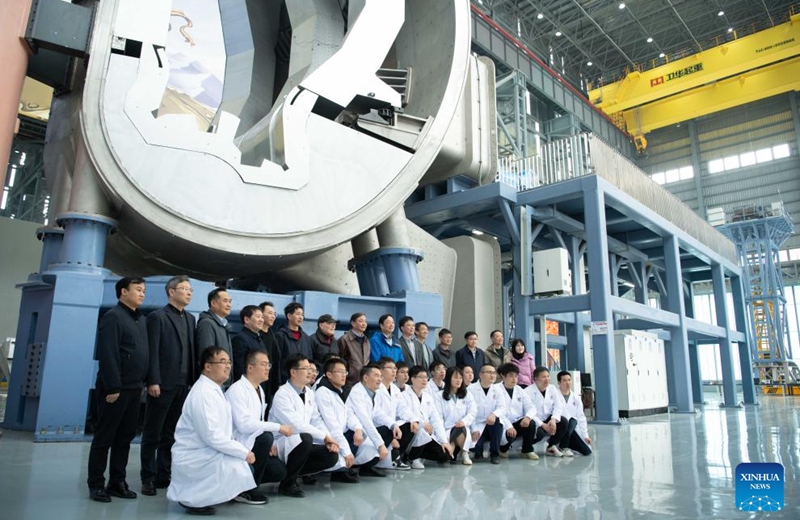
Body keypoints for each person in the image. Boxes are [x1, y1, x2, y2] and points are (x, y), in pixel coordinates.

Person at [167, 347, 258, 515]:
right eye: (222, 362)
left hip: (207, 450)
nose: (228, 366)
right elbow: (212, 436)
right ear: (207, 366)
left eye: (229, 362)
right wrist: (243, 451)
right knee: (239, 467)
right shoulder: (202, 394)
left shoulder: (214, 389)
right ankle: (193, 500)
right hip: (196, 455)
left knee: (243, 468)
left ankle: (203, 497)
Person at [87, 277, 149, 503]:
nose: (142, 294)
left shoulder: (140, 319)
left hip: (134, 388)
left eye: (143, 290)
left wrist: (142, 382)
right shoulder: (113, 317)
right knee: (104, 438)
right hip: (116, 388)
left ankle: (117, 482)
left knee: (124, 438)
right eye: (138, 289)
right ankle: (96, 484)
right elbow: (108, 353)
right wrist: (113, 386)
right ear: (123, 291)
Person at [141, 275, 197, 496]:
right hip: (162, 384)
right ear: (171, 292)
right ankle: (148, 477)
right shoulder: (157, 317)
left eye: (190, 289)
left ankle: (163, 475)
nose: (189, 292)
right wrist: (153, 380)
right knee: (152, 433)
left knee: (172, 433)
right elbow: (152, 351)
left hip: (183, 384)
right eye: (184, 288)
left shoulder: (190, 319)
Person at [226, 350, 294, 505]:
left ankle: (242, 481)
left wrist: (272, 443)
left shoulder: (259, 390)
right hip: (240, 443)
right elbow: (244, 425)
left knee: (279, 472)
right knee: (265, 437)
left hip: (253, 442)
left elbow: (259, 422)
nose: (267, 368)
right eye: (263, 364)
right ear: (250, 367)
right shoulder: (237, 390)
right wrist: (278, 427)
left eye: (268, 365)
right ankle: (247, 490)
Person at [268, 354, 340, 498]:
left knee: (331, 456)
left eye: (311, 369)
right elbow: (296, 425)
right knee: (305, 438)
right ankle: (288, 484)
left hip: (302, 442)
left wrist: (328, 439)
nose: (310, 372)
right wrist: (324, 436)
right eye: (305, 369)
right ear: (293, 372)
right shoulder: (282, 394)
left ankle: (293, 473)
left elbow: (316, 420)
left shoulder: (309, 393)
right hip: (282, 442)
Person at [315, 357, 381, 481]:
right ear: (329, 374)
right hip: (328, 437)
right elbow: (332, 426)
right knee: (342, 448)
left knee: (359, 432)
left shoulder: (340, 390)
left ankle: (345, 466)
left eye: (345, 372)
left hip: (339, 434)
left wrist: (357, 429)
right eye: (340, 372)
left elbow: (349, 415)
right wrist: (347, 452)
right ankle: (342, 469)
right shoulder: (323, 392)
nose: (344, 375)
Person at [400, 366, 454, 467]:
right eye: (421, 377)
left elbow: (436, 420)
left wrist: (444, 441)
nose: (425, 380)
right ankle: (412, 458)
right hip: (411, 432)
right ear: (413, 379)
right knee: (421, 431)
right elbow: (404, 413)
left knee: (445, 455)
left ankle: (417, 454)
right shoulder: (403, 396)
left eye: (426, 377)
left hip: (427, 433)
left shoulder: (428, 397)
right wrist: (422, 423)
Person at [345, 365, 391, 477]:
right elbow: (365, 420)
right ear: (365, 377)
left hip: (363, 433)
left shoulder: (372, 393)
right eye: (376, 376)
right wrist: (380, 445)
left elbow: (377, 413)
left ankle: (366, 467)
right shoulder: (356, 392)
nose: (380, 379)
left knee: (389, 430)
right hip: (352, 432)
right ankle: (348, 467)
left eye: (380, 376)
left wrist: (393, 424)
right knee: (359, 434)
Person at [375, 357, 417, 469]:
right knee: (389, 429)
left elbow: (403, 409)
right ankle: (389, 456)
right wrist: (392, 433)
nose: (394, 371)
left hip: (391, 427)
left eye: (395, 368)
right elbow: (376, 413)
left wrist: (412, 419)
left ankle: (397, 456)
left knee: (410, 426)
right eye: (390, 368)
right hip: (379, 428)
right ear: (381, 370)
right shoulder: (376, 388)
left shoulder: (395, 389)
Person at [496, 363, 540, 460]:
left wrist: (527, 417)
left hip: (517, 421)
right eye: (511, 376)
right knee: (508, 434)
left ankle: (527, 451)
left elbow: (531, 407)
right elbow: (497, 411)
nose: (514, 379)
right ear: (503, 376)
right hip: (503, 423)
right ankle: (503, 449)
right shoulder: (496, 390)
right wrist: (509, 426)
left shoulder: (520, 390)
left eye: (516, 376)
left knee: (531, 423)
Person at [435, 367, 477, 465]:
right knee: (445, 456)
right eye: (455, 377)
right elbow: (438, 417)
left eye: (460, 378)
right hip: (446, 430)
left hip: (463, 428)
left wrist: (464, 421)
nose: (459, 380)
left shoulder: (467, 394)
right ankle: (456, 448)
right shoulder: (439, 396)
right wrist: (443, 436)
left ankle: (464, 453)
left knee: (460, 428)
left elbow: (473, 412)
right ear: (449, 378)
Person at [526, 367, 569, 457]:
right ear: (536, 379)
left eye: (548, 376)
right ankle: (526, 446)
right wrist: (542, 424)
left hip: (548, 418)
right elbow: (528, 411)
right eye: (543, 377)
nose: (547, 379)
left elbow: (558, 406)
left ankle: (551, 447)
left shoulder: (552, 388)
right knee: (540, 434)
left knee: (563, 421)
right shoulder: (527, 391)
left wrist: (553, 419)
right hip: (536, 421)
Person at [467, 363, 506, 464]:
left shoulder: (498, 390)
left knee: (498, 421)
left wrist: (494, 414)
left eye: (494, 373)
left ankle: (495, 454)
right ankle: (478, 450)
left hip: (491, 423)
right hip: (476, 424)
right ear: (481, 375)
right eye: (489, 372)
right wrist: (474, 429)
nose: (492, 375)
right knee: (476, 448)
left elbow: (502, 407)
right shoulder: (470, 389)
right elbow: (468, 411)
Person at [195, 289, 233, 376]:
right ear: (213, 303)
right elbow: (207, 356)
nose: (229, 305)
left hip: (223, 379)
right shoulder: (207, 323)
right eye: (225, 301)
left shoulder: (223, 324)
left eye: (230, 301)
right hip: (213, 378)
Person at [275, 303, 313, 385]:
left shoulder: (306, 337)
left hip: (303, 382)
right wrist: (279, 382)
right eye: (298, 314)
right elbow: (277, 361)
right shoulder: (280, 336)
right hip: (286, 382)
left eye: (302, 315)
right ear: (289, 316)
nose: (301, 317)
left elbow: (309, 359)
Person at [556, 371, 593, 456]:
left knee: (587, 451)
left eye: (569, 380)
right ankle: (563, 446)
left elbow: (581, 417)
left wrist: (585, 435)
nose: (568, 383)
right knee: (571, 420)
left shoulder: (576, 398)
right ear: (559, 383)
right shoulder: (554, 395)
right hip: (559, 426)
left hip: (572, 428)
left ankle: (565, 446)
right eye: (564, 380)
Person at [231, 305, 264, 383]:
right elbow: (239, 368)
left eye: (262, 317)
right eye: (258, 317)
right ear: (246, 319)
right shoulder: (240, 339)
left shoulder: (259, 338)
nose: (261, 320)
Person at [338, 312, 371, 387]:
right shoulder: (344, 339)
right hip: (349, 381)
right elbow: (341, 360)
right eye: (360, 321)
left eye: (365, 321)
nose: (364, 324)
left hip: (364, 381)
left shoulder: (367, 341)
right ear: (353, 323)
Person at [258, 301, 281, 399]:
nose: (273, 316)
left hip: (270, 382)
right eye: (270, 313)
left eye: (274, 314)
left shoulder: (273, 336)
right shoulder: (257, 335)